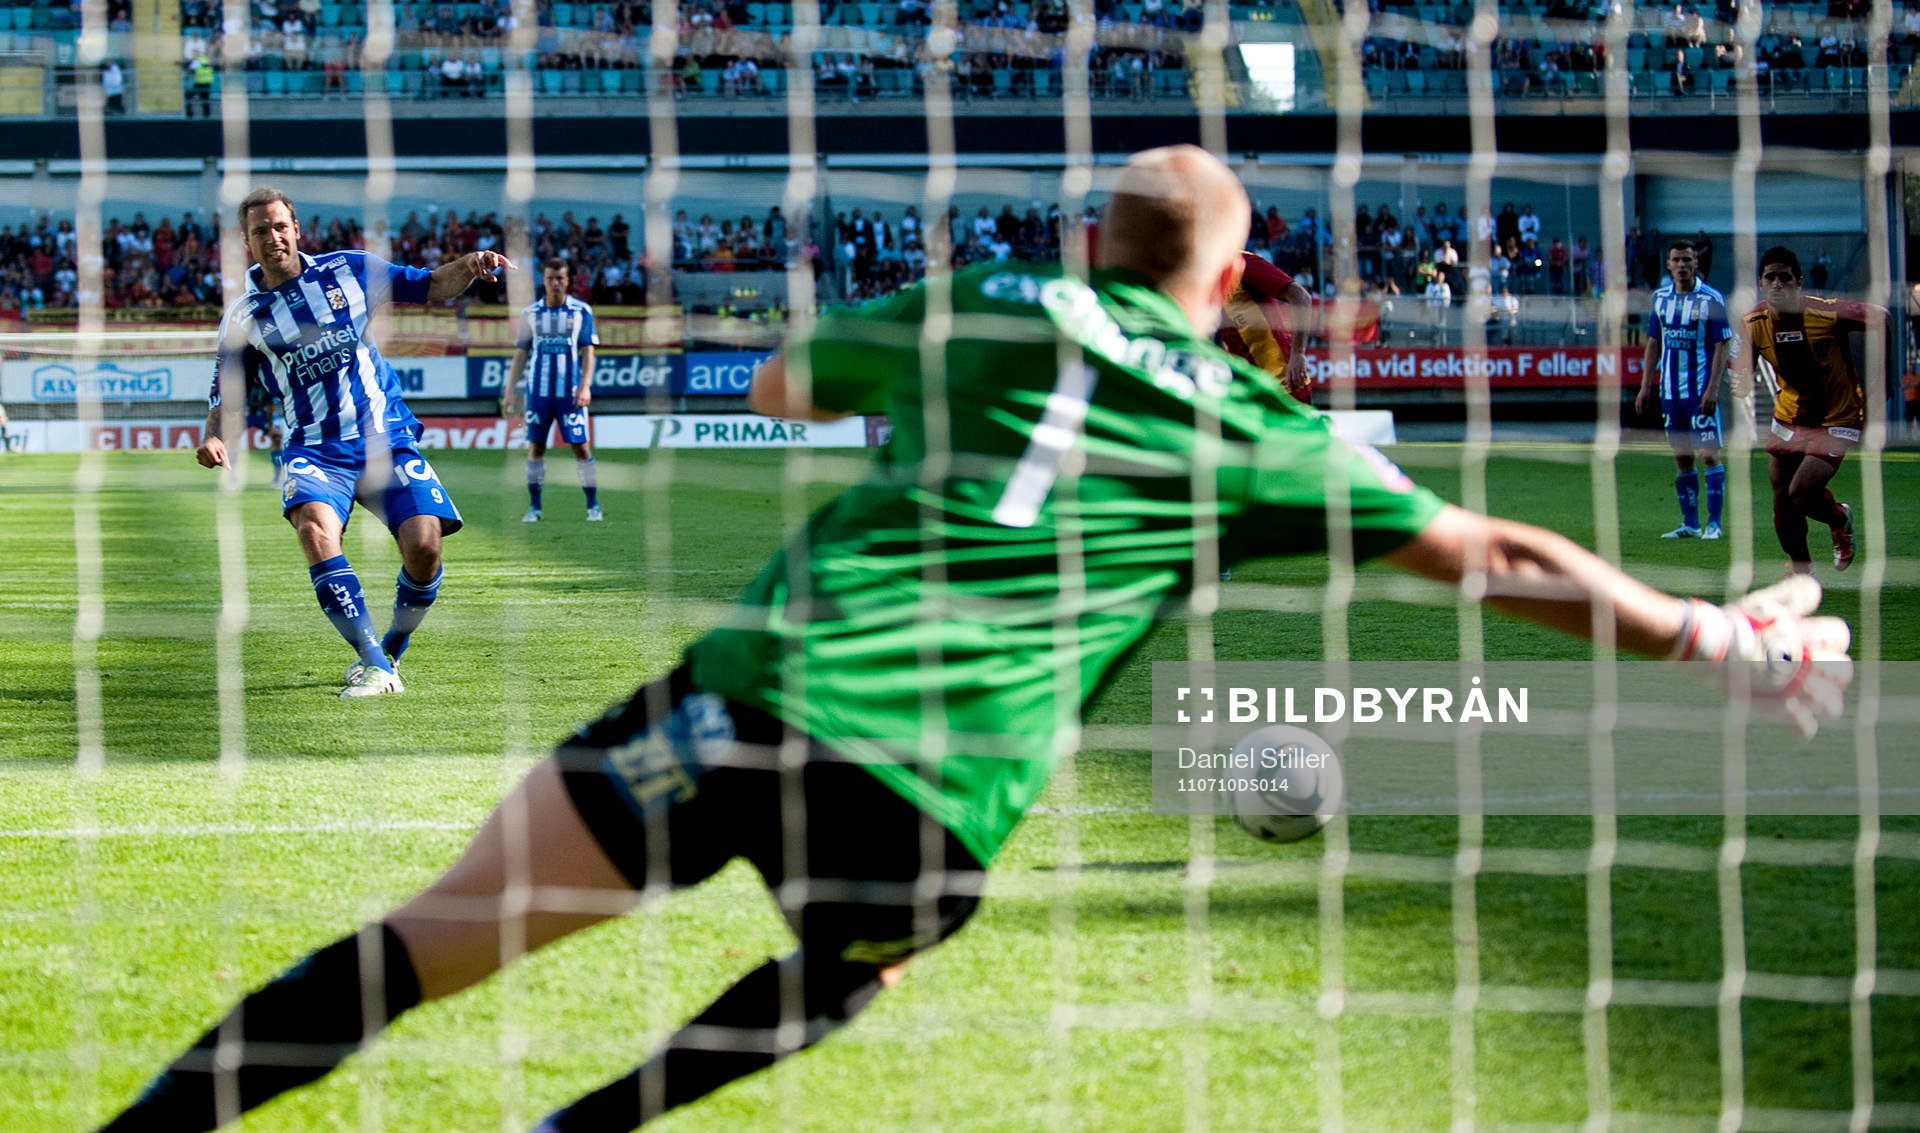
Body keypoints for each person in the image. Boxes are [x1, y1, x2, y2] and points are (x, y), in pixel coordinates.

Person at [100, 147, 1853, 1133]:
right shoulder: (1246, 422)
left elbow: (787, 381)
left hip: (757, 694)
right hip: (944, 787)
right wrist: (1701, 631)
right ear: (1234, 287)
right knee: (862, 960)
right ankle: (583, 1127)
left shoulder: (993, 303)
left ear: (1091, 241)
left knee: (430, 942)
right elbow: (1497, 548)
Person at [191, 187, 513, 697]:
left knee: (425, 548)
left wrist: (471, 265)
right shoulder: (244, 317)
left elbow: (430, 285)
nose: (272, 237)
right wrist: (213, 437)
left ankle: (390, 651)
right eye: (260, 231)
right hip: (312, 449)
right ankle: (371, 662)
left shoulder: (350, 270)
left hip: (385, 438)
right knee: (316, 533)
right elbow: (226, 395)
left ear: (296, 228)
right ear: (245, 242)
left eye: (279, 226)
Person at [1737, 246, 1878, 574]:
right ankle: (1802, 572)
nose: (1776, 284)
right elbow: (1742, 368)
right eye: (1769, 277)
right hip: (1789, 416)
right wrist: (1740, 381)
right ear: (1760, 283)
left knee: (1801, 491)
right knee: (1782, 497)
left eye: (1784, 278)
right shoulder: (1754, 322)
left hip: (1838, 416)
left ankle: (1839, 517)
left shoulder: (1826, 313)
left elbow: (1882, 317)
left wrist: (1881, 387)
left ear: (1798, 283)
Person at [1635, 238, 1732, 540]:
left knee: (1708, 455)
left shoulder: (1711, 299)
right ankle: (1690, 523)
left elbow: (1722, 344)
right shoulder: (1660, 299)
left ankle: (1713, 524)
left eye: (1687, 260)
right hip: (1669, 393)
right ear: (1668, 264)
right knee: (1682, 457)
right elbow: (1653, 343)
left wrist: (1714, 389)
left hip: (1700, 392)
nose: (1681, 265)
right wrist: (1644, 386)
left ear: (1696, 263)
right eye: (1676, 260)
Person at [503, 258, 601, 523]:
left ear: (567, 280)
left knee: (581, 448)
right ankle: (534, 508)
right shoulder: (531, 314)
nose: (555, 283)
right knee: (536, 447)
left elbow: (588, 352)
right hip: (538, 393)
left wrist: (586, 386)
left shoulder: (581, 311)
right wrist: (510, 390)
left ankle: (593, 506)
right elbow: (521, 353)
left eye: (560, 278)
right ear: (543, 280)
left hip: (571, 394)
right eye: (550, 278)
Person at [1217, 249, 1313, 400]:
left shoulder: (1241, 262)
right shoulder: (1206, 275)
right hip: (1247, 386)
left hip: (1283, 381)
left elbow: (1301, 297)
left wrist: (1297, 354)